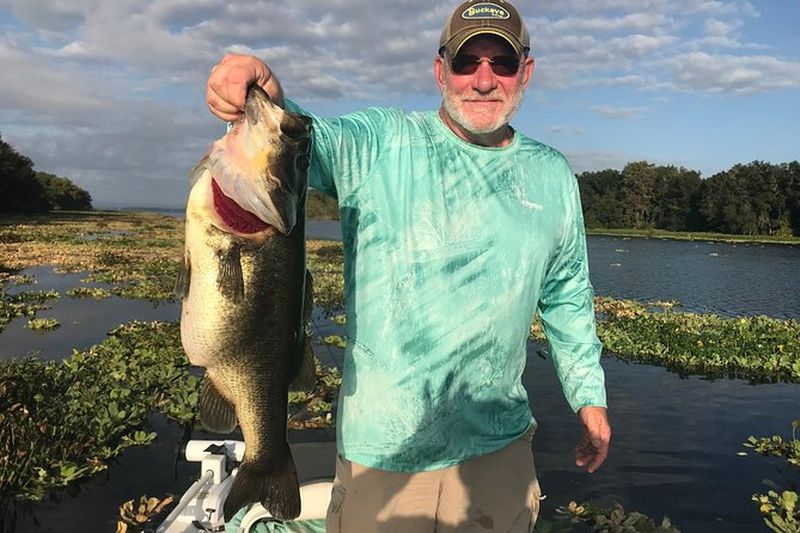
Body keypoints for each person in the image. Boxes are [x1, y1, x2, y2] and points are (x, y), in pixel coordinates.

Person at [206, 0, 611, 531]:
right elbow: (301, 141)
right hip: (384, 449)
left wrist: (589, 396)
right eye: (467, 62)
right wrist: (263, 92)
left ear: (525, 73)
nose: (484, 80)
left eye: (501, 63)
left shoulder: (553, 175)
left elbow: (567, 295)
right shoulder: (379, 142)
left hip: (499, 445)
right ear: (441, 70)